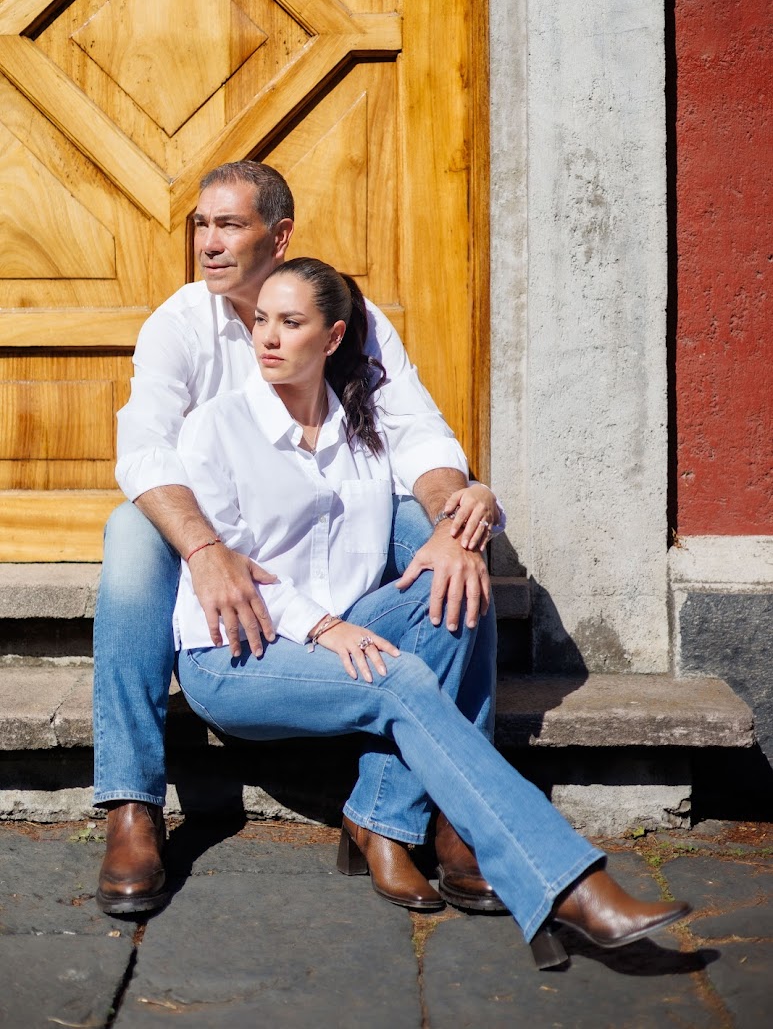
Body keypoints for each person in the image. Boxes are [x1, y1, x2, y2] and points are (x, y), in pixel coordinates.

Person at [171, 257, 691, 969]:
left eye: (290, 322)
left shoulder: (362, 430)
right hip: (237, 650)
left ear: (333, 337)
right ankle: (565, 881)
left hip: (341, 633)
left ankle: (382, 815)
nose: (267, 336)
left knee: (455, 582)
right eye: (261, 319)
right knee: (400, 680)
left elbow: (431, 463)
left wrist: (473, 503)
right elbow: (232, 567)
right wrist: (324, 627)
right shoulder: (215, 427)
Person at [94, 162, 503, 916]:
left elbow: (415, 431)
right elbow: (144, 451)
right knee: (131, 530)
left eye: (229, 225)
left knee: (446, 543)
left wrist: (455, 521)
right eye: (201, 225)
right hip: (215, 540)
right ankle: (130, 803)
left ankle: (446, 807)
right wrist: (206, 551)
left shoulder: (346, 315)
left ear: (279, 237)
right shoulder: (179, 325)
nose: (208, 244)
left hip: (323, 540)